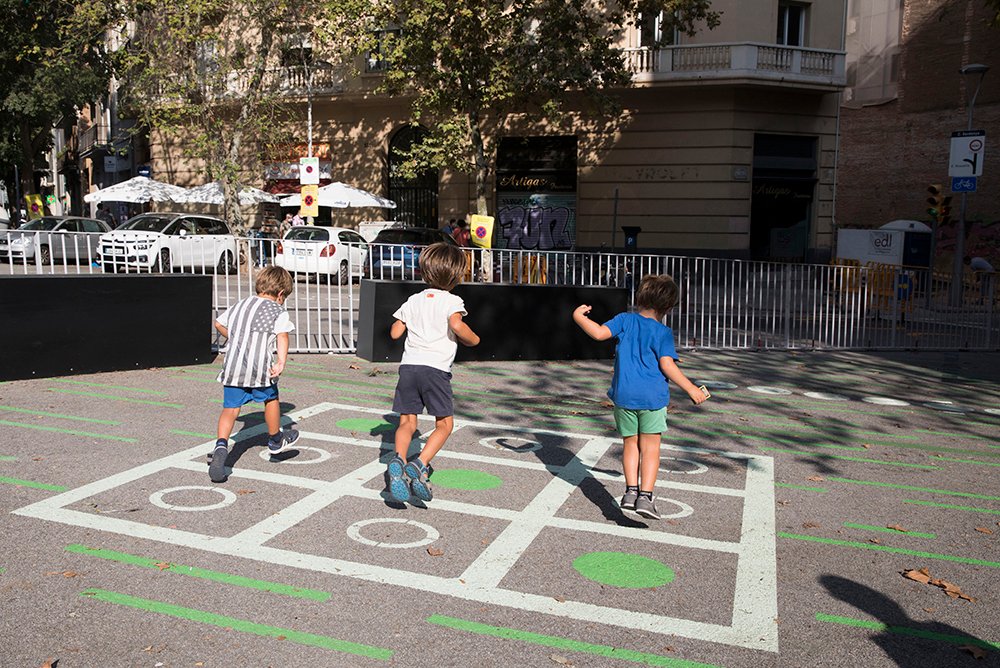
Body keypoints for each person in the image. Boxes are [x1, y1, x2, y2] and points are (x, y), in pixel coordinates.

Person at [572, 274, 708, 520]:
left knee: (630, 445)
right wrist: (691, 388)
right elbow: (666, 364)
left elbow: (600, 334)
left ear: (639, 298)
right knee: (651, 448)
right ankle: (646, 497)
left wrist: (578, 317)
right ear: (668, 307)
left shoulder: (624, 320)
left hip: (624, 396)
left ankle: (630, 492)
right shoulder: (662, 332)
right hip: (652, 399)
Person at [386, 242, 481, 503]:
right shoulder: (452, 300)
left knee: (407, 422)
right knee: (444, 424)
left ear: (424, 272)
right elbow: (456, 324)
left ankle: (399, 458)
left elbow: (395, 332)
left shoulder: (413, 300)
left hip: (409, 367)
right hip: (436, 370)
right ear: (456, 276)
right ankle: (420, 463)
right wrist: (473, 340)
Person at [209, 266, 299, 483]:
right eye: (284, 297)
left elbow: (218, 323)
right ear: (280, 294)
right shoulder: (277, 311)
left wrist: (236, 337)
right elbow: (283, 337)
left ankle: (221, 445)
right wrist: (281, 362)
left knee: (230, 409)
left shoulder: (241, 304)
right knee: (270, 399)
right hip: (259, 368)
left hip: (233, 366)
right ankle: (276, 439)